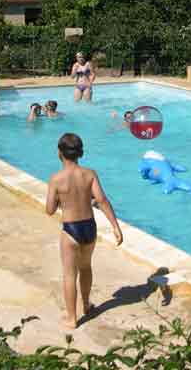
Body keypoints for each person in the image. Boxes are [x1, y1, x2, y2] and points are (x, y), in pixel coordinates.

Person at [45, 133, 124, 329]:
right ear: (79, 153)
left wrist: (60, 199)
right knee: (86, 267)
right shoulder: (90, 174)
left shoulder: (56, 179)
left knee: (69, 274)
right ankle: (86, 305)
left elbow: (49, 210)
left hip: (71, 229)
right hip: (89, 227)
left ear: (59, 153)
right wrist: (115, 226)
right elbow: (102, 200)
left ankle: (72, 318)